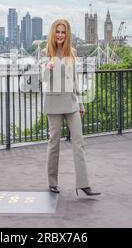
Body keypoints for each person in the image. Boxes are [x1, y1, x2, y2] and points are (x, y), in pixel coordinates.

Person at [40, 19, 101, 197]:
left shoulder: (72, 52)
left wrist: (80, 103)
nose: (60, 35)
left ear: (67, 34)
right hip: (53, 104)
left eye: (63, 32)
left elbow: (74, 81)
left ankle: (83, 184)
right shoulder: (46, 53)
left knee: (79, 142)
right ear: (53, 33)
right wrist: (48, 68)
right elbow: (41, 79)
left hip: (71, 103)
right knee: (54, 144)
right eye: (57, 31)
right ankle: (52, 182)